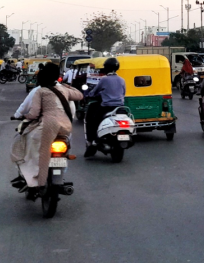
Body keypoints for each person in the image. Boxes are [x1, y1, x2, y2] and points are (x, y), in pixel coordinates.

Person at [21, 63, 82, 193]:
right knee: (65, 150)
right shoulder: (64, 90)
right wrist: (67, 86)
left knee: (38, 150)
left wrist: (25, 116)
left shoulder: (40, 91)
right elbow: (79, 95)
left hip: (49, 126)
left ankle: (39, 182)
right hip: (66, 127)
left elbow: (34, 113)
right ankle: (59, 175)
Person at [83, 58, 126, 157]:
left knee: (92, 122)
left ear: (106, 68)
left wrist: (89, 94)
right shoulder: (122, 80)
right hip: (120, 107)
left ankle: (92, 141)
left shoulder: (104, 79)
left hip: (106, 107)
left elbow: (94, 92)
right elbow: (123, 93)